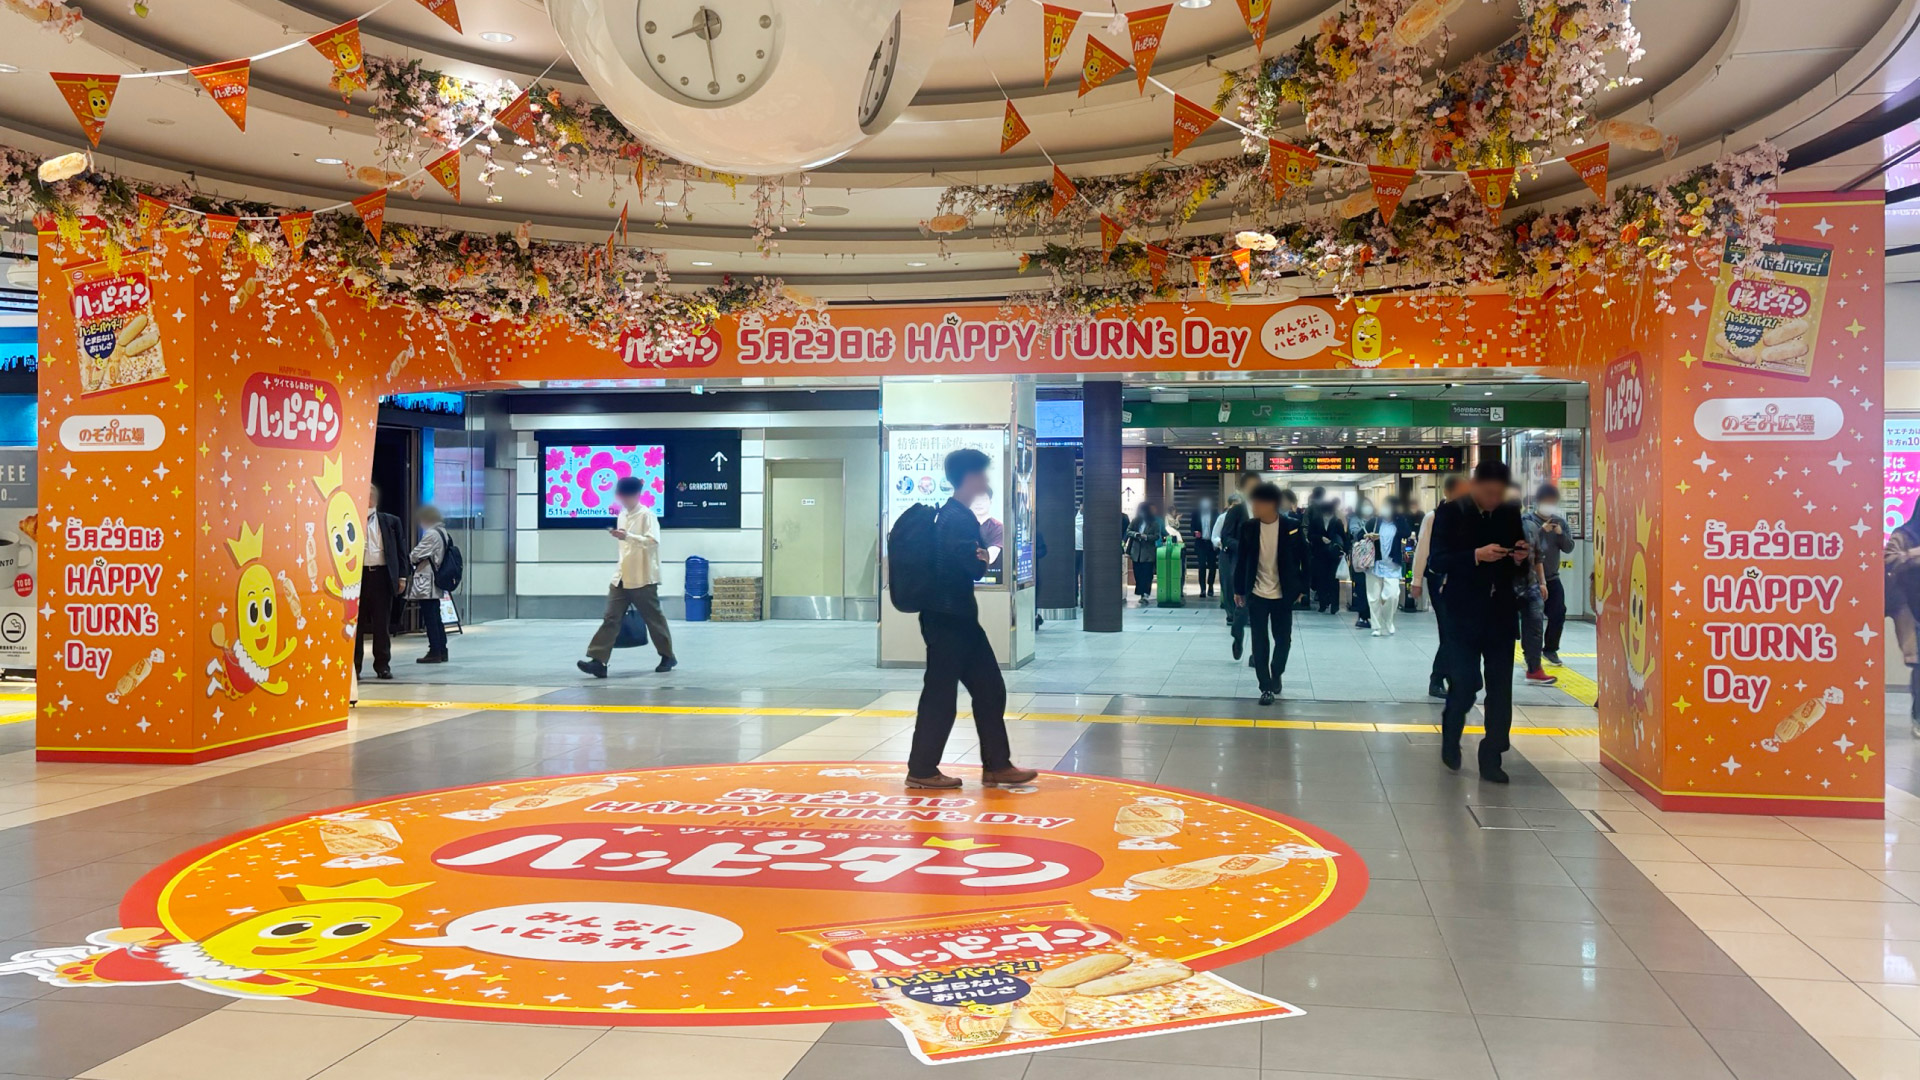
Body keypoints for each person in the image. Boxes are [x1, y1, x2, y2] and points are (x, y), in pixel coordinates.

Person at [907, 448, 1039, 790]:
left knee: (989, 689)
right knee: (941, 695)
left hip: (955, 617)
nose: (986, 479)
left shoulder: (952, 515)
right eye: (982, 473)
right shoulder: (959, 518)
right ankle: (921, 770)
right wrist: (979, 560)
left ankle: (998, 764)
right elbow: (973, 564)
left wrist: (977, 555)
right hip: (949, 619)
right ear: (969, 477)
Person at [1427, 461, 1531, 782]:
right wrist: (1475, 554)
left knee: (1501, 689)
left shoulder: (1509, 511)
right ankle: (1451, 736)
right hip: (1462, 614)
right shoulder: (1451, 512)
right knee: (1467, 683)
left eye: (1499, 494)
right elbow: (1438, 561)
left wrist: (1520, 558)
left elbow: (1519, 570)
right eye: (1487, 493)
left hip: (1500, 614)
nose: (1493, 500)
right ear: (1474, 486)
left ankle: (1492, 755)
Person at [576, 475, 677, 678]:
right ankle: (598, 661)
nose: (623, 500)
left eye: (627, 496)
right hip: (622, 576)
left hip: (642, 576)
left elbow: (653, 542)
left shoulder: (647, 515)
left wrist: (628, 536)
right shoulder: (622, 515)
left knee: (653, 618)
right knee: (611, 617)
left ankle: (667, 656)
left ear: (637, 495)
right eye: (621, 496)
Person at [1233, 482, 1309, 705]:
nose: (1253, 506)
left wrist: (1302, 589)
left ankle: (1276, 672)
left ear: (1271, 504)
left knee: (1283, 639)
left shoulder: (1291, 526)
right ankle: (1265, 686)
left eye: (1257, 502)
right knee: (1259, 641)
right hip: (1257, 593)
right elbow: (1242, 561)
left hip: (1283, 594)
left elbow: (1305, 559)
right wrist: (1239, 589)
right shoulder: (1249, 527)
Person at [1412, 474, 1465, 698]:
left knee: (1456, 632)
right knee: (1449, 631)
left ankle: (1450, 676)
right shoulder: (1433, 517)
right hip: (1439, 579)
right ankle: (1438, 678)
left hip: (1461, 580)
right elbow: (1422, 549)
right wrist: (1416, 581)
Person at [355, 484, 405, 681]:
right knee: (356, 624)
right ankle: (354, 667)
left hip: (382, 576)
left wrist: (402, 577)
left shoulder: (391, 522)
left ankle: (382, 665)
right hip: (358, 577)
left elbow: (401, 551)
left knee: (381, 624)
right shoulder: (351, 520)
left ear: (373, 498)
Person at [1525, 484, 1577, 666]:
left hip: (1552, 578)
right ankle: (1532, 657)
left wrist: (1560, 534)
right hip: (1530, 579)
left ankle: (1550, 649)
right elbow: (1524, 544)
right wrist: (1541, 531)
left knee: (1558, 613)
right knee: (1533, 619)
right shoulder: (1528, 520)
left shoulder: (1560, 522)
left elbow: (1569, 547)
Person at [1215, 472, 1261, 657]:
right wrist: (1244, 547)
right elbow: (1225, 537)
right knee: (1242, 607)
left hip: (1263, 567)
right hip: (1242, 564)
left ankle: (1256, 655)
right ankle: (1238, 632)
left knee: (1259, 610)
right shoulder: (1236, 511)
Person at [404, 505, 451, 666]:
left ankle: (434, 650)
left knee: (430, 617)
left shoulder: (431, 534)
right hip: (435, 580)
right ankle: (442, 649)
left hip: (427, 581)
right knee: (436, 617)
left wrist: (411, 557)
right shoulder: (443, 533)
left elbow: (415, 555)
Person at [1888, 510, 1920, 737]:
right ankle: (1919, 719)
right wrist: (1913, 555)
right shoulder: (1904, 534)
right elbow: (1887, 559)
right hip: (1913, 608)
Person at [1364, 495, 1411, 637]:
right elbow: (1361, 534)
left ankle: (1388, 621)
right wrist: (1369, 536)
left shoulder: (1399, 523)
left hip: (1392, 564)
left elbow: (1407, 533)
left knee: (1392, 595)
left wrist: (1400, 517)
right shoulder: (1375, 521)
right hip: (1374, 563)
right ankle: (1376, 626)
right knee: (1373, 597)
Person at [1306, 488, 1345, 614]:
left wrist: (1344, 552)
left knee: (1333, 580)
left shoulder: (1337, 522)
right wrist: (1320, 538)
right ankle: (1323, 604)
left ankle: (1334, 605)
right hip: (1319, 554)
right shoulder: (1316, 521)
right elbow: (1310, 535)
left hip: (1333, 555)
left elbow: (1344, 537)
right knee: (1321, 579)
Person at [1349, 498, 1380, 629]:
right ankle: (1363, 615)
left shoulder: (1378, 520)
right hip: (1361, 558)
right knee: (1361, 587)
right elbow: (1355, 533)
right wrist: (1367, 534)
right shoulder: (1355, 520)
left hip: (1375, 559)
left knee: (1375, 588)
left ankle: (1374, 615)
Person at [1126, 502, 1161, 603]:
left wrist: (1146, 537)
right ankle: (1141, 592)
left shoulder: (1155, 523)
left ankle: (1145, 594)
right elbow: (1128, 531)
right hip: (1136, 552)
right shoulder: (1136, 521)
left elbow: (1157, 536)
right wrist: (1136, 534)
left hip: (1148, 553)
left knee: (1147, 574)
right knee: (1138, 573)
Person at [1191, 497, 1220, 600]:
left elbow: (1219, 527)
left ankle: (1211, 586)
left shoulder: (1215, 513)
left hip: (1211, 544)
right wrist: (1194, 533)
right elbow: (1192, 527)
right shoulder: (1196, 513)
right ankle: (1202, 589)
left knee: (1212, 566)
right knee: (1202, 565)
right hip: (1201, 543)